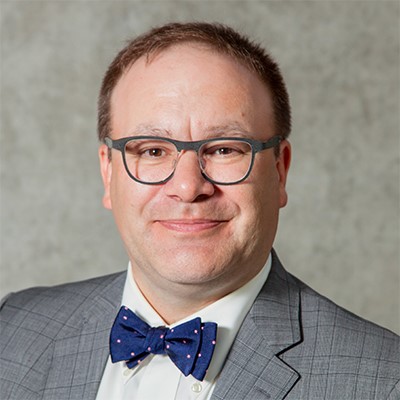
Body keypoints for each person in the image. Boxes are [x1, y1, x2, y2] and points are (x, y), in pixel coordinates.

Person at [0, 22, 399, 400]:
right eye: (153, 151)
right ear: (108, 173)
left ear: (279, 171)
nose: (189, 187)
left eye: (225, 149)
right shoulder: (14, 330)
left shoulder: (383, 381)